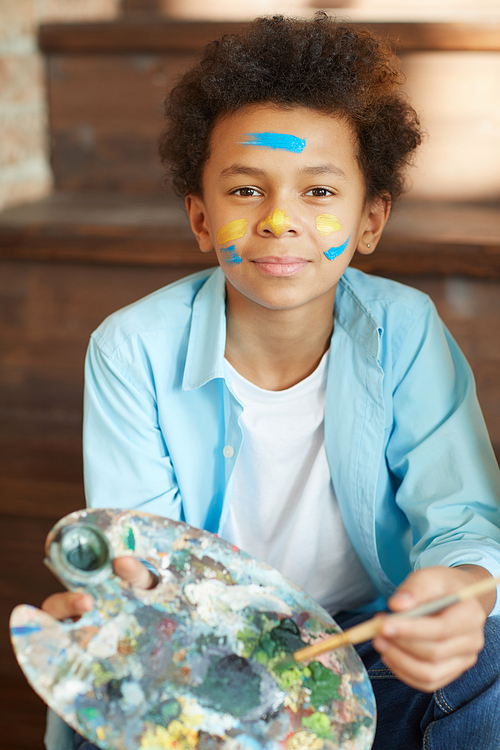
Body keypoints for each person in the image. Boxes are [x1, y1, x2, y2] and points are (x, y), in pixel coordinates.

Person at [43, 13, 500, 750]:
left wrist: (461, 594)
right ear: (199, 217)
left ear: (371, 218)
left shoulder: (406, 330)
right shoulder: (129, 349)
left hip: (365, 649)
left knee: (494, 651)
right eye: (246, 190)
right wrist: (123, 602)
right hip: (207, 650)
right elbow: (141, 551)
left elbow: (464, 524)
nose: (280, 220)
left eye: (319, 193)